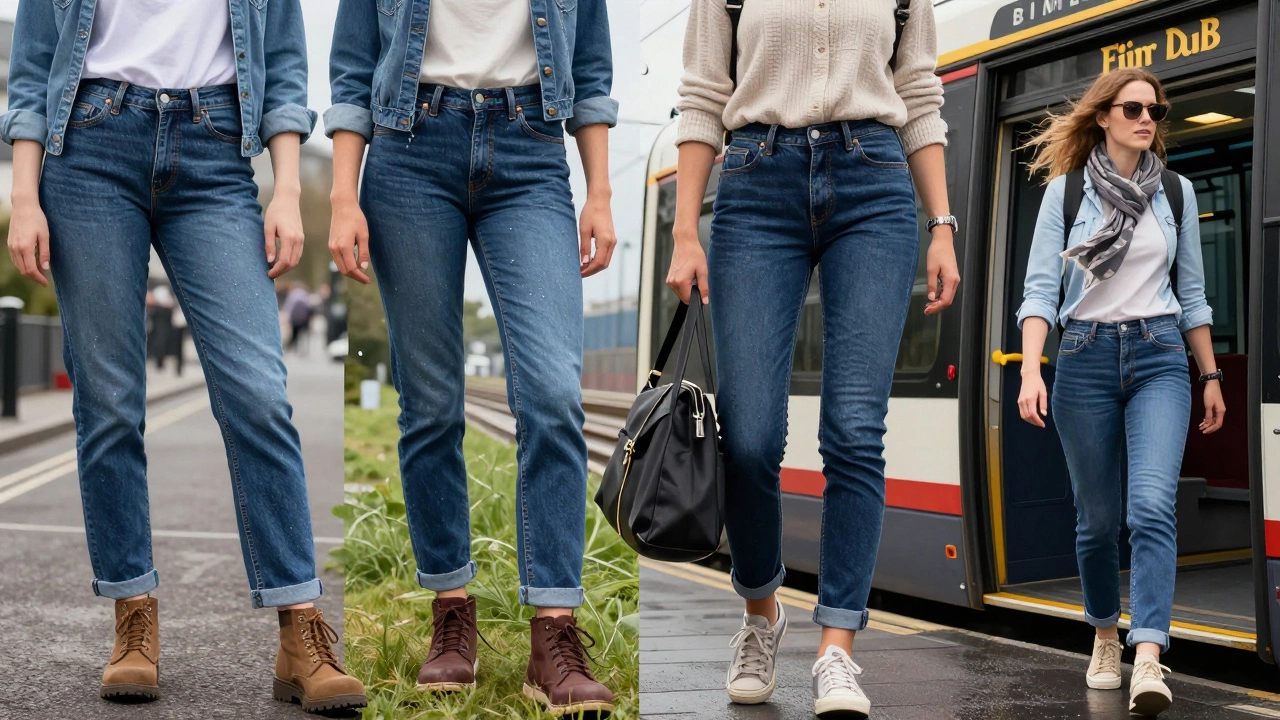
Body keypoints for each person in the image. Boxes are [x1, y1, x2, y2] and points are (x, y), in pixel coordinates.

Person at [1, 0, 367, 711]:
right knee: (108, 403)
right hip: (89, 146)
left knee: (259, 392)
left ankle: (301, 627)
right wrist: (24, 194)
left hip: (214, 147)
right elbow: (34, 62)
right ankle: (133, 613)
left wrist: (286, 189)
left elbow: (286, 61)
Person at [665, 0, 959, 716]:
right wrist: (684, 229)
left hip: (875, 182)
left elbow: (918, 94)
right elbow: (704, 95)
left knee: (856, 429)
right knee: (752, 436)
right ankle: (761, 612)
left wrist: (942, 225)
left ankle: (837, 650)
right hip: (756, 181)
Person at [326, 0, 618, 715]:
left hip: (529, 149)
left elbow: (590, 66)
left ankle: (553, 630)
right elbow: (353, 63)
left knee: (552, 394)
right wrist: (340, 194)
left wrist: (601, 190)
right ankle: (451, 614)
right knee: (430, 403)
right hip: (407, 149)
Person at [1015, 67, 1223, 717]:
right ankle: (1105, 633)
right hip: (1084, 358)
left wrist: (1210, 373)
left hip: (1161, 355)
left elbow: (1192, 295)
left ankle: (1150, 655)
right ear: (1103, 116)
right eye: (1133, 108)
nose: (1147, 119)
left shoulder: (1178, 194)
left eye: (1156, 111)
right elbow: (1041, 290)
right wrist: (1029, 368)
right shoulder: (1067, 193)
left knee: (1153, 507)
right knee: (1098, 520)